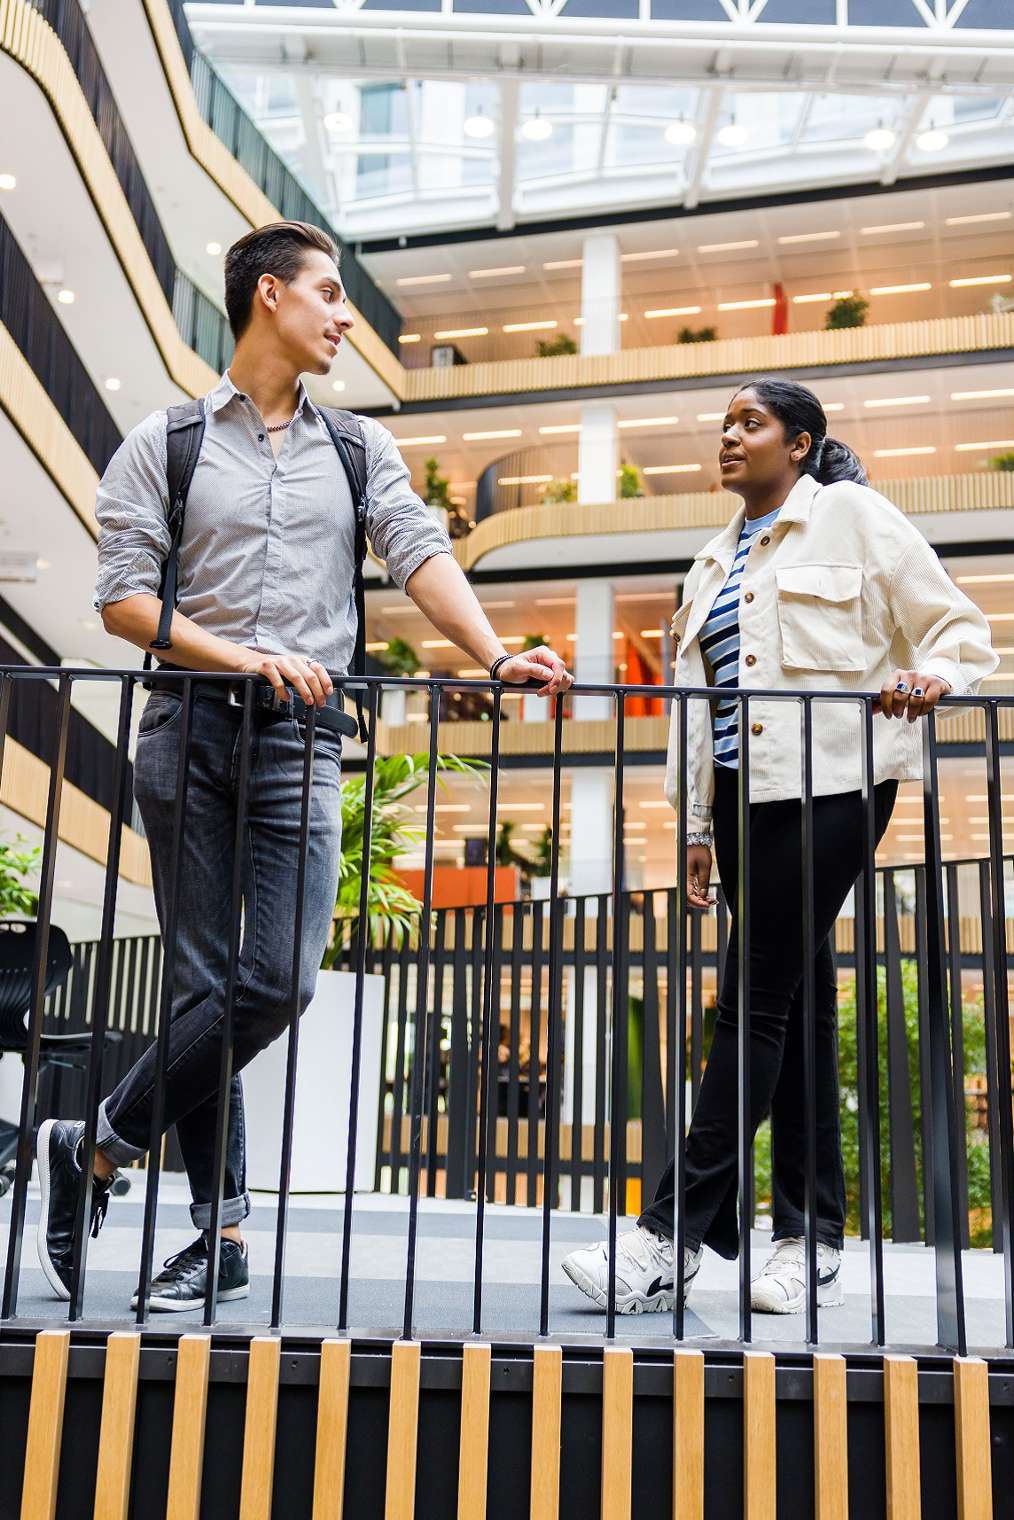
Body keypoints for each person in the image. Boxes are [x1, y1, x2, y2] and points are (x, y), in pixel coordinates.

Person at [36, 220, 572, 1312]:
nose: (343, 315)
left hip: (302, 737)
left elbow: (419, 551)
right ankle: (220, 1234)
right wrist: (246, 654)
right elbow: (122, 599)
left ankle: (89, 1142)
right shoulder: (167, 441)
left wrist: (496, 654)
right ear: (268, 295)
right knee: (200, 980)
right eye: (330, 294)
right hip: (186, 725)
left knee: (274, 978)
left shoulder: (357, 447)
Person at [562, 377, 996, 1316]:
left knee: (751, 998)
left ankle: (669, 1235)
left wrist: (933, 675)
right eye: (723, 425)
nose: (729, 437)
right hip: (739, 802)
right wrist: (695, 829)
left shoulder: (851, 516)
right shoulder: (711, 561)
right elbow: (702, 715)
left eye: (749, 423)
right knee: (795, 998)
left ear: (798, 444)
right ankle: (810, 1239)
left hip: (835, 783)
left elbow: (959, 625)